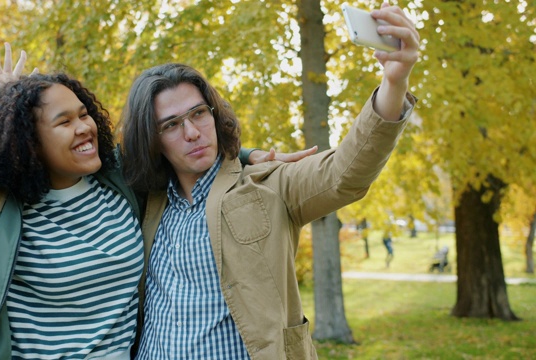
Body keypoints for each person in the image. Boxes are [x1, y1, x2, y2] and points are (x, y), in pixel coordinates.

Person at [0, 43, 311, 358]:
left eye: (84, 114)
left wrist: (245, 154)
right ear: (28, 141)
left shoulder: (117, 180)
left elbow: (178, 146)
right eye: (64, 121)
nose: (84, 128)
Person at [120, 3, 419, 359]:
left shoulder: (267, 184)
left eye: (199, 114)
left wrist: (394, 81)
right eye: (171, 125)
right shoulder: (145, 201)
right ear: (151, 138)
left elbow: (345, 172)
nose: (192, 133)